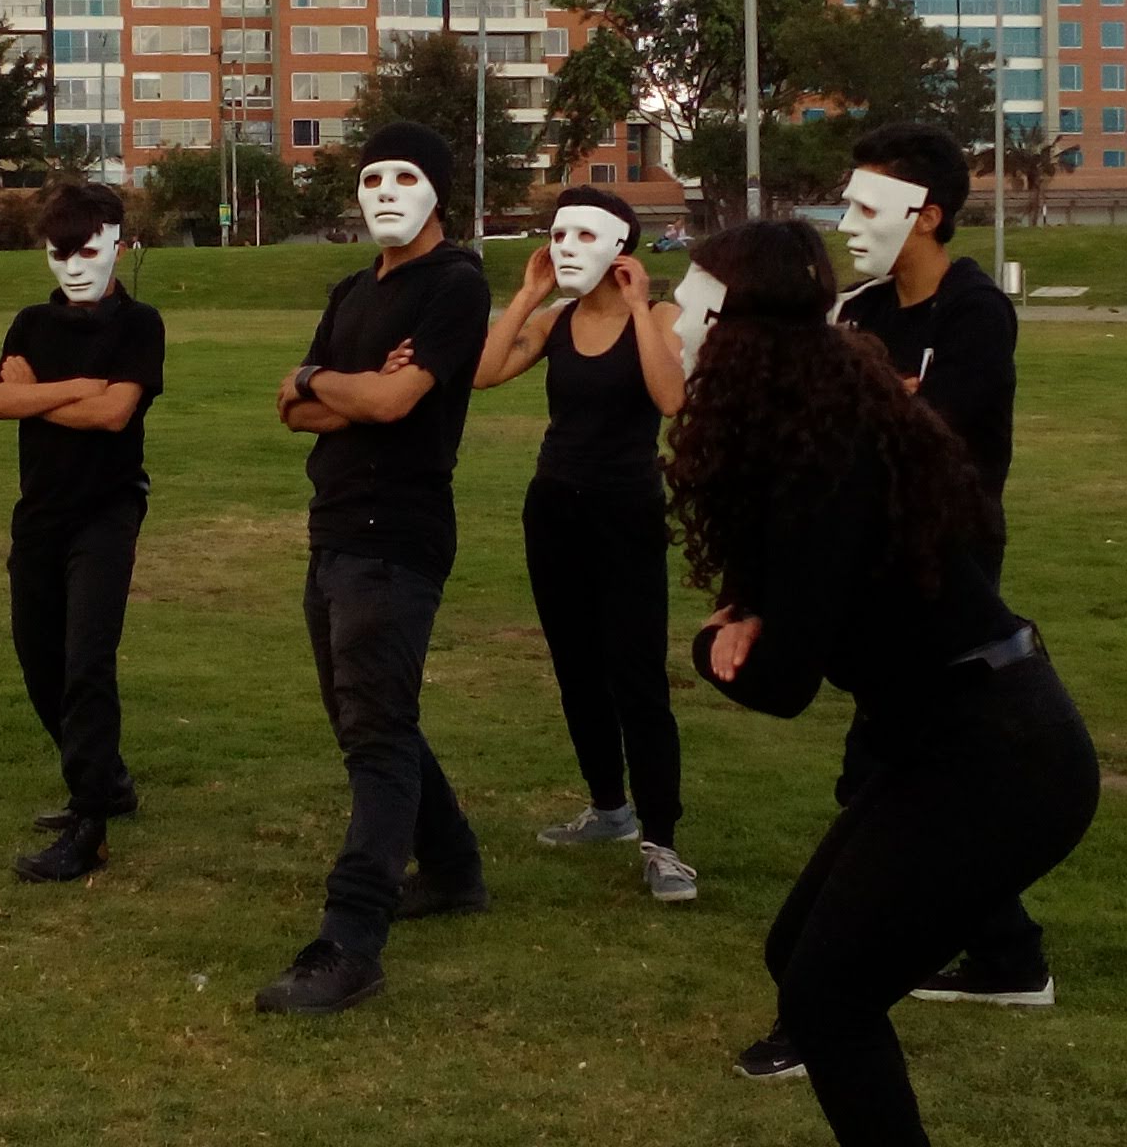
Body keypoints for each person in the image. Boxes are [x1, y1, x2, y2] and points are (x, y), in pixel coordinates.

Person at [678, 221, 1098, 1146]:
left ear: (734, 331)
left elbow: (783, 683)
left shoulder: (818, 461)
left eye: (690, 301)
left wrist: (709, 649)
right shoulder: (824, 423)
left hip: (1001, 758)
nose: (673, 318)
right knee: (800, 958)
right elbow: (816, 589)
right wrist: (753, 607)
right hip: (949, 741)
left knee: (827, 998)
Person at [735, 123, 1034, 1084]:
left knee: (881, 776)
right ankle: (1007, 955)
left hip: (943, 567)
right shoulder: (861, 310)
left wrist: (881, 408)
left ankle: (827, 1002)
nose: (847, 223)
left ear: (929, 215)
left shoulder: (976, 312)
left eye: (868, 207)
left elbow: (920, 434)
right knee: (897, 763)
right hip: (871, 565)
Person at [255, 121, 496, 1016]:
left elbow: (396, 399)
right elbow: (292, 409)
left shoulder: (457, 286)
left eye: (405, 177)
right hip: (333, 529)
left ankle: (352, 938)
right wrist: (333, 382)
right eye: (370, 177)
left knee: (376, 730)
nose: (386, 192)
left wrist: (330, 382)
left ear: (437, 189)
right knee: (366, 717)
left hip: (398, 533)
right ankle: (456, 868)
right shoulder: (351, 289)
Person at [474, 187, 694, 902]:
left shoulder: (659, 315)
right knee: (576, 666)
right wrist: (526, 293)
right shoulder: (556, 320)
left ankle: (661, 840)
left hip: (626, 511)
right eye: (557, 233)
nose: (566, 246)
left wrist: (637, 308)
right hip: (554, 508)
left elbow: (671, 399)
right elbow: (481, 372)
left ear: (620, 250)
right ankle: (609, 808)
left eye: (582, 235)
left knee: (637, 676)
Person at [0, 182, 166, 883]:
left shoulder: (139, 325)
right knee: (41, 661)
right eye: (60, 252)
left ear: (119, 244)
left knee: (88, 660)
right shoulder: (31, 324)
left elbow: (115, 415)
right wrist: (78, 388)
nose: (75, 264)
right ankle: (106, 778)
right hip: (40, 516)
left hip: (108, 512)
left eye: (89, 249)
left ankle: (90, 823)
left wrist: (47, 395)